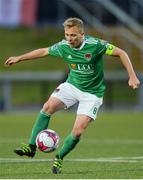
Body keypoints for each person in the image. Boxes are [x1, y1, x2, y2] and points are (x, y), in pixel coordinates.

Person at [4, 17, 140, 174]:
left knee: (77, 132)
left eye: (73, 35)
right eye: (67, 34)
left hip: (92, 94)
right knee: (47, 107)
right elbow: (43, 51)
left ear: (82, 34)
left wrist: (132, 76)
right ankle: (31, 147)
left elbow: (121, 53)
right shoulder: (63, 46)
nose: (69, 38)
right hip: (72, 85)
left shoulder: (95, 45)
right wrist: (19, 58)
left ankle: (60, 157)